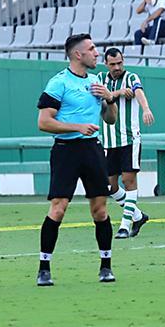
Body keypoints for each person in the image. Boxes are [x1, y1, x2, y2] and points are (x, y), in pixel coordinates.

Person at [35, 34, 119, 286]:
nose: (97, 53)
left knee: (100, 210)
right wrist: (77, 127)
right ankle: (44, 268)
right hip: (65, 151)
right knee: (58, 208)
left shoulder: (95, 82)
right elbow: (44, 122)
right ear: (77, 54)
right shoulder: (58, 83)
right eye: (92, 49)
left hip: (92, 150)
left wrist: (109, 99)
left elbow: (111, 119)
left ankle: (106, 266)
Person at [96, 48, 153, 239]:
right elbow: (99, 96)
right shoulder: (100, 78)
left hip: (129, 139)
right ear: (106, 64)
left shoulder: (131, 77)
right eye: (112, 64)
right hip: (108, 141)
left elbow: (139, 91)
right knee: (109, 186)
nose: (117, 67)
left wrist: (146, 109)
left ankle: (125, 225)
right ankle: (138, 216)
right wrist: (119, 92)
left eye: (119, 63)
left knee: (129, 181)